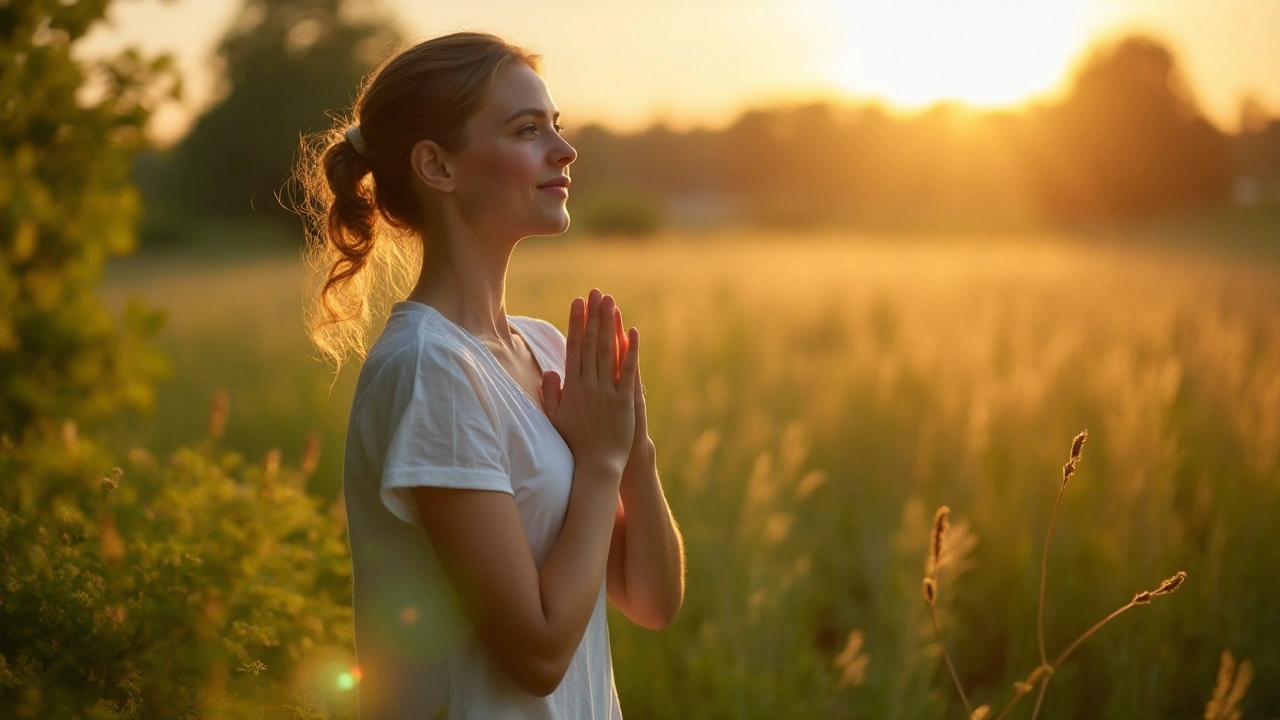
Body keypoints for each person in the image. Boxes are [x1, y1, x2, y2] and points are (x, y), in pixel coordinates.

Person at [292, 32, 685, 719]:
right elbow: (534, 657)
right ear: (437, 167)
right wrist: (598, 464)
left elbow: (652, 601)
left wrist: (634, 450)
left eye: (556, 127)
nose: (563, 150)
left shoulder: (547, 349)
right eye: (527, 130)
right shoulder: (430, 370)